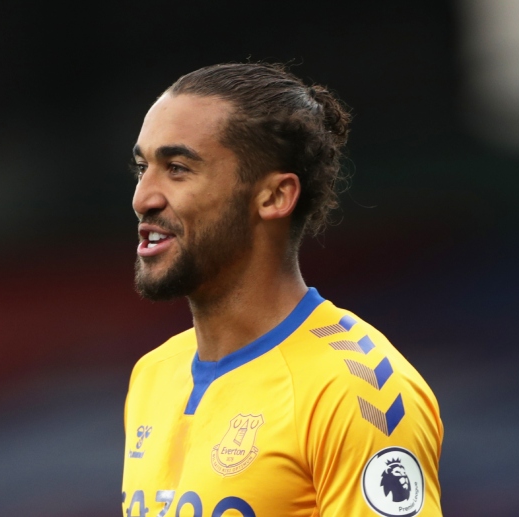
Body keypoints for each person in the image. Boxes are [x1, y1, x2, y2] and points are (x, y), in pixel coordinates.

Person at [121, 62, 443, 517]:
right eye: (142, 168)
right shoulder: (153, 374)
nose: (143, 198)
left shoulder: (357, 391)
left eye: (177, 168)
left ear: (274, 196)